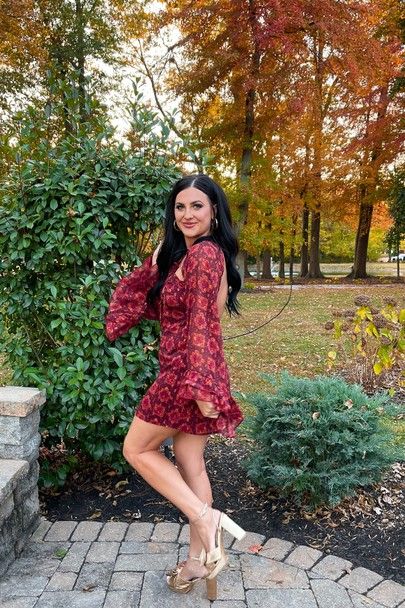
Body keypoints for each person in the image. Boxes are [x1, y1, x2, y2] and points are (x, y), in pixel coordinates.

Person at [105, 174, 245, 600]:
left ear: (214, 210)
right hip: (197, 371)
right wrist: (153, 268)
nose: (186, 214)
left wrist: (201, 387)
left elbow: (203, 322)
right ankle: (198, 564)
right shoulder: (197, 255)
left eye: (197, 206)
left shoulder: (203, 256)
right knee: (190, 461)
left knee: (137, 449)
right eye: (180, 207)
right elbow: (155, 307)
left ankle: (207, 519)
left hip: (185, 374)